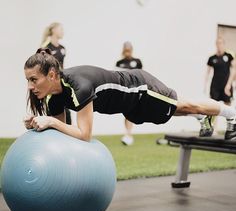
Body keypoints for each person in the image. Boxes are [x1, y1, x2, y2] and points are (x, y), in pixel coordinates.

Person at [23, 49, 236, 142]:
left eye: (34, 79)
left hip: (140, 88)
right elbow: (63, 134)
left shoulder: (79, 86)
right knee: (171, 112)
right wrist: (40, 124)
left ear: (51, 75)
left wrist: (50, 121)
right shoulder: (54, 97)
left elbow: (84, 135)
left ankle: (230, 113)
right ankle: (200, 118)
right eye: (28, 80)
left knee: (187, 106)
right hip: (128, 105)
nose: (31, 86)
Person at [41, 22, 71, 125]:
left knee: (66, 109)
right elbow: (41, 67)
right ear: (53, 30)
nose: (63, 31)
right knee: (52, 109)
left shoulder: (62, 48)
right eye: (61, 29)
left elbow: (62, 66)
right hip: (50, 84)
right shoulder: (45, 47)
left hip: (61, 82)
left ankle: (69, 133)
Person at [204, 37, 235, 135]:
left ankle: (230, 129)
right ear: (216, 45)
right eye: (217, 43)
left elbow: (234, 70)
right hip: (215, 86)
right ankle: (214, 129)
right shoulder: (212, 58)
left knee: (228, 107)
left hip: (226, 86)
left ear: (224, 44)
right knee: (214, 107)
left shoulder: (229, 56)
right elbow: (207, 73)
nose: (219, 45)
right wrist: (205, 86)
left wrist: (229, 84)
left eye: (221, 43)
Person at [115, 42, 143, 145]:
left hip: (135, 90)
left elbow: (142, 75)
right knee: (126, 112)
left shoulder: (137, 62)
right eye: (125, 50)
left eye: (129, 50)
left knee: (131, 111)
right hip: (124, 91)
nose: (127, 52)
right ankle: (128, 134)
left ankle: (129, 134)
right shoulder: (119, 63)